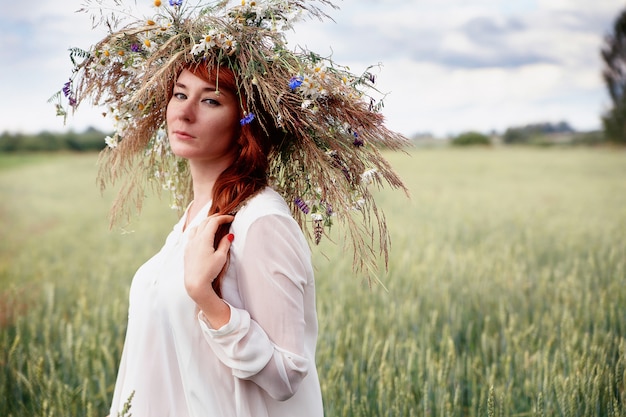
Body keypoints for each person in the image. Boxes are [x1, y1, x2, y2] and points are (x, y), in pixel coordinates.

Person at [56, 1, 408, 416]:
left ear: (246, 123)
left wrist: (206, 299)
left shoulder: (262, 221)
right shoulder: (193, 217)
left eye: (211, 101)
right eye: (179, 94)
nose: (183, 112)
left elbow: (288, 374)